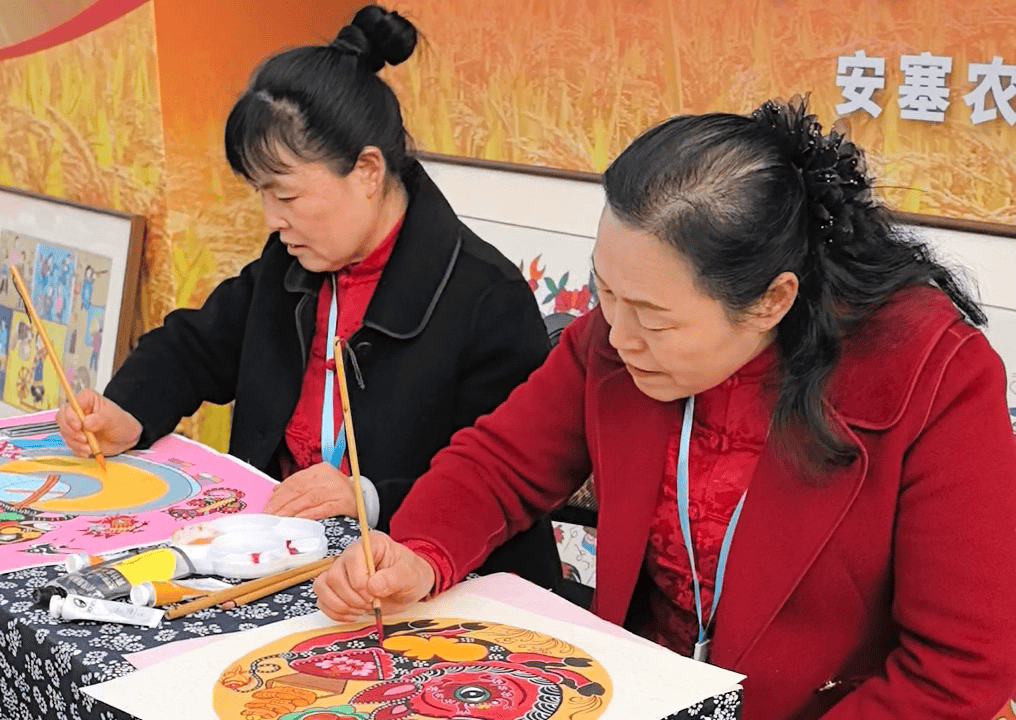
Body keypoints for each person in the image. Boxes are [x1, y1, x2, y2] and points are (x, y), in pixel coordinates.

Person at [314, 98, 1016, 720]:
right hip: (642, 690)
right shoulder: (619, 335)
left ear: (771, 301)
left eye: (654, 317)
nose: (618, 337)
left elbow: (959, 668)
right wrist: (420, 555)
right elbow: (500, 463)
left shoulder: (930, 375)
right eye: (605, 293)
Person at [56, 5, 559, 588]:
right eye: (262, 195)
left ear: (367, 171)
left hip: (425, 582)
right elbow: (196, 347)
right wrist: (127, 410)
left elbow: (501, 482)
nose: (273, 220)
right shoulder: (292, 264)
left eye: (287, 197)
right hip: (285, 557)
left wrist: (368, 496)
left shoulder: (485, 299)